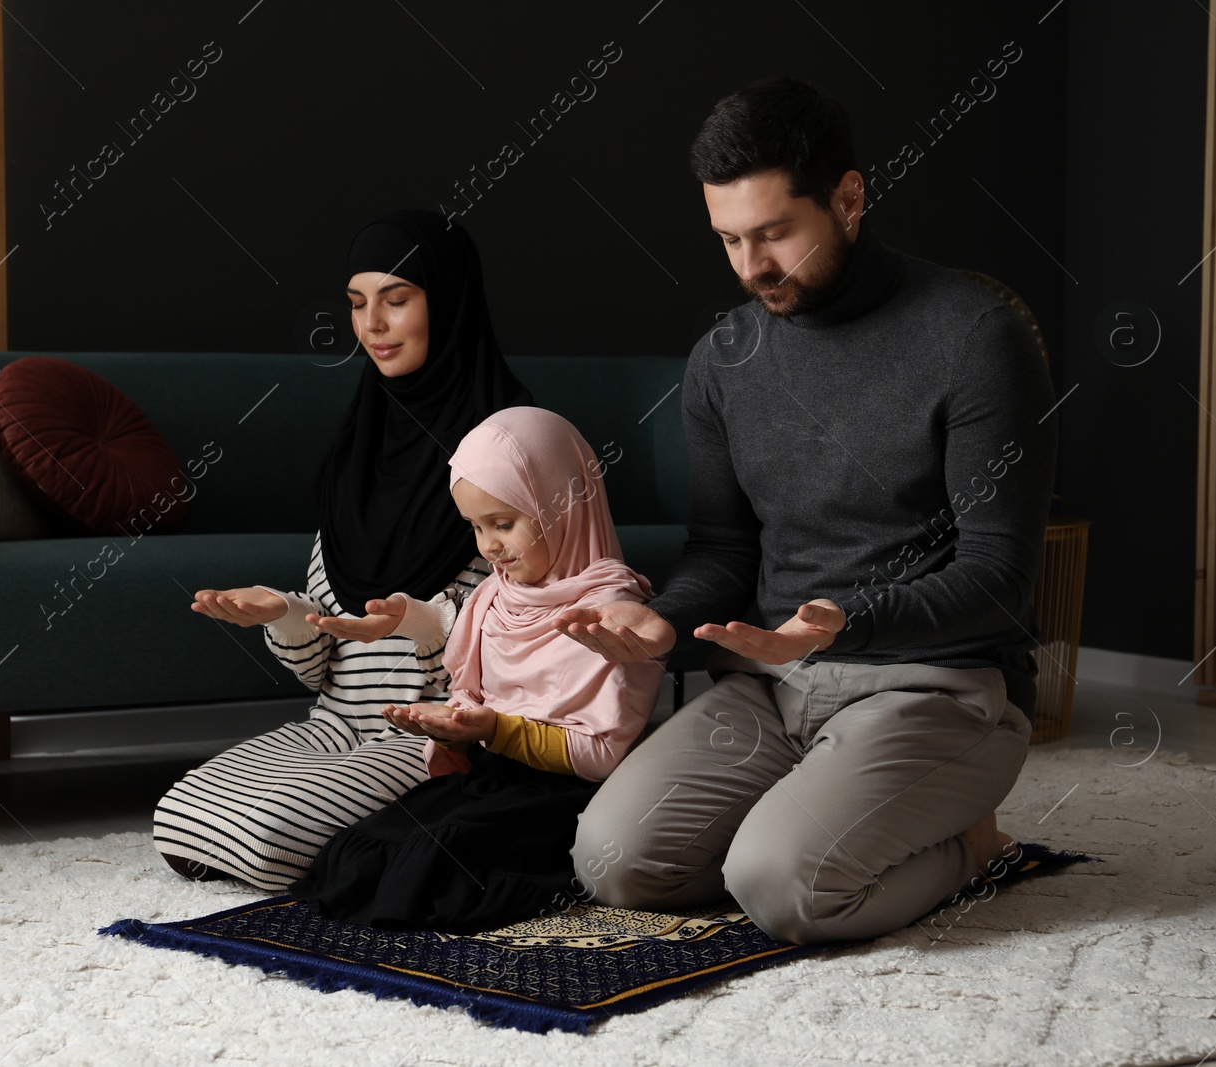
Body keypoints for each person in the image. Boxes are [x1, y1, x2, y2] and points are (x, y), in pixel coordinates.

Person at [556, 77, 1059, 945]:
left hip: (937, 686)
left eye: (774, 233)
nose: (751, 266)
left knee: (782, 887)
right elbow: (722, 548)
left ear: (850, 197)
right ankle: (811, 813)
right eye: (727, 240)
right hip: (772, 685)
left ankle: (972, 845)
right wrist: (661, 620)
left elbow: (1000, 579)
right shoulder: (721, 361)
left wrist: (836, 625)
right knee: (613, 860)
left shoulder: (976, 336)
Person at [152, 209, 532, 890]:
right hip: (335, 724)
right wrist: (284, 613)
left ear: (447, 300)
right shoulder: (357, 448)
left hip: (434, 736)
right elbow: (321, 667)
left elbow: (511, 645)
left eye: (397, 299)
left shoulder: (509, 446)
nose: (372, 326)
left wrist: (414, 621)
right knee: (178, 819)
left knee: (265, 838)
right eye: (358, 304)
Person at [288, 407, 664, 933]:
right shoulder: (493, 597)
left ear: (564, 506)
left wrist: (493, 729)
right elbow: (474, 700)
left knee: (445, 857)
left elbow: (601, 756)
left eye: (504, 524)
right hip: (493, 774)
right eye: (475, 527)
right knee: (362, 846)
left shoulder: (609, 614)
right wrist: (453, 731)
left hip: (565, 791)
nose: (488, 546)